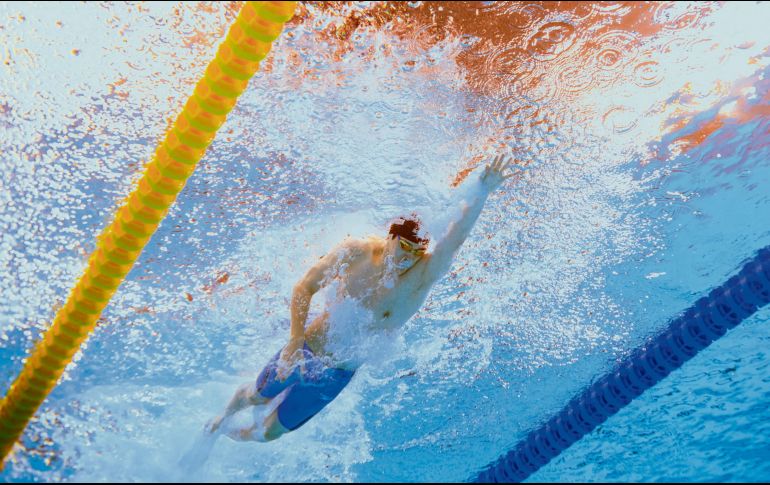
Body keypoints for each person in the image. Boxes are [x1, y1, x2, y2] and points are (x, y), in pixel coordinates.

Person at [205, 154, 515, 443]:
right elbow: (305, 287)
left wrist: (481, 194)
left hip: (338, 373)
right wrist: (293, 343)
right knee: (256, 397)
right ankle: (223, 416)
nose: (408, 258)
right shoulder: (358, 252)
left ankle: (225, 436)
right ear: (390, 237)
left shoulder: (422, 277)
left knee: (269, 434)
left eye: (416, 252)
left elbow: (454, 239)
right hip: (308, 349)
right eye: (404, 247)